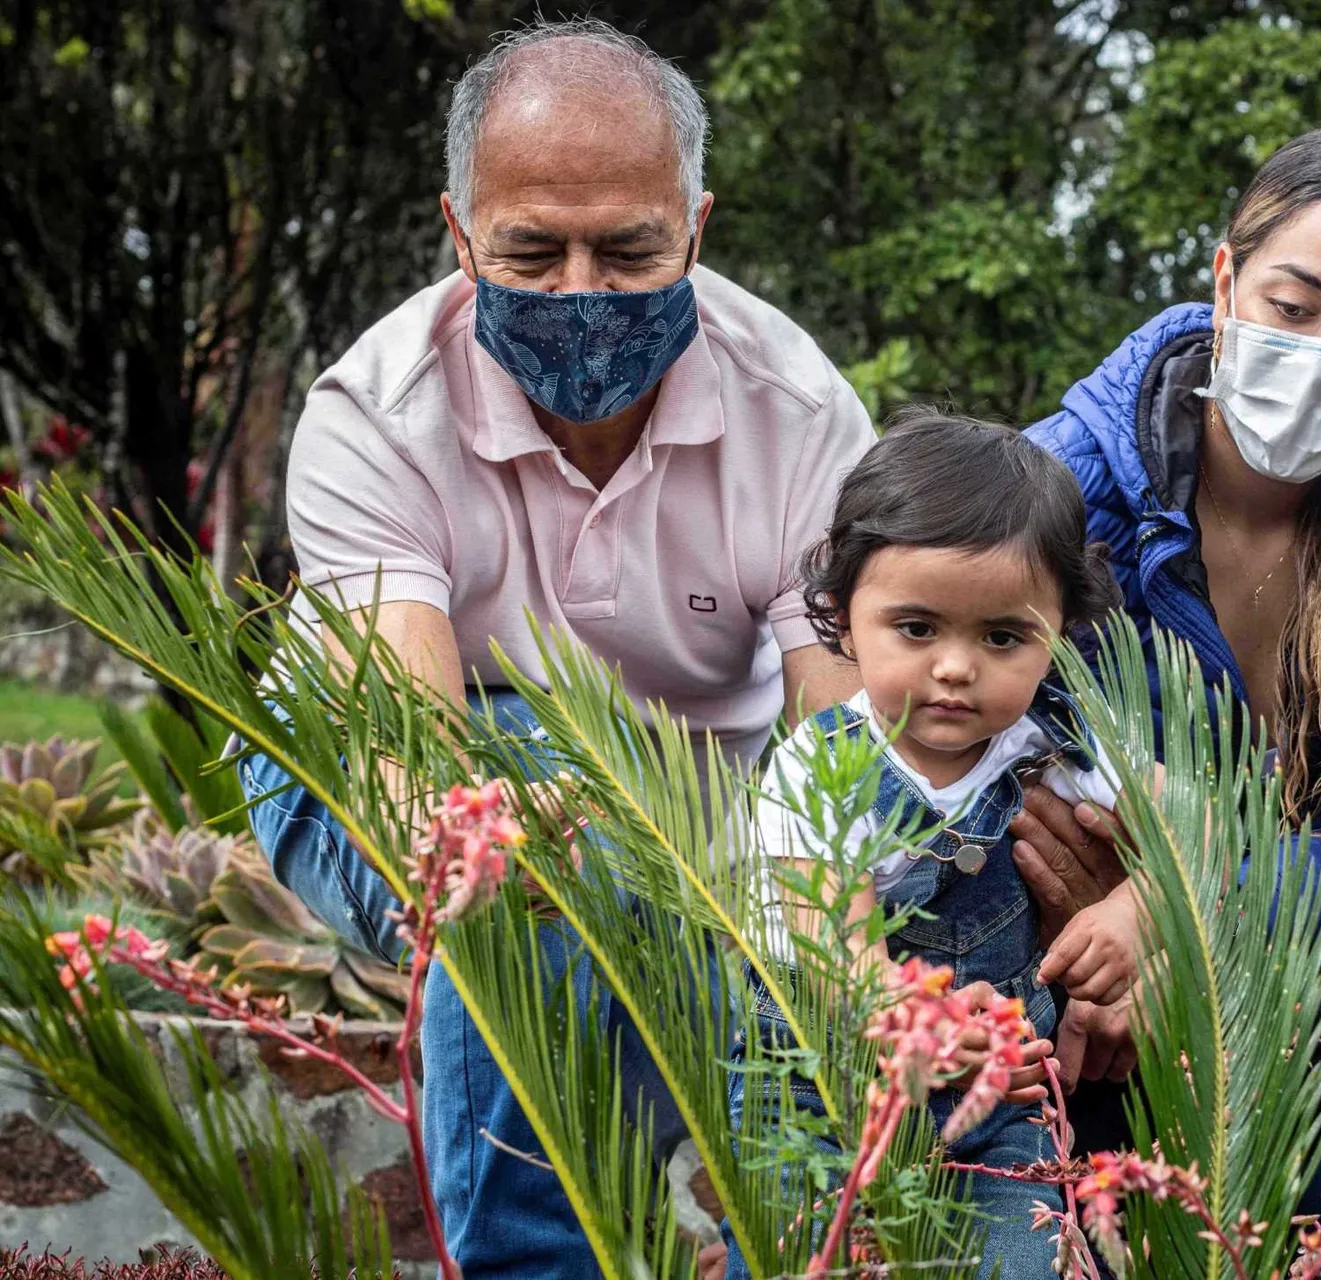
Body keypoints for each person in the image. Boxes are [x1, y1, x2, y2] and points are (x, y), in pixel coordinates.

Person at [237, 19, 871, 1275]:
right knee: (524, 831)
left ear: (697, 223)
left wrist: (824, 930)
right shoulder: (375, 415)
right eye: (531, 250)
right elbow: (415, 761)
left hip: (706, 793)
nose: (582, 292)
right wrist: (552, 829)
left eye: (630, 249)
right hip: (378, 775)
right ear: (459, 232)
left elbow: (839, 740)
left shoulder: (799, 413)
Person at [1020, 122, 1321, 1276]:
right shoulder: (1057, 484)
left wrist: (1180, 906)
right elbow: (940, 718)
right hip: (1036, 961)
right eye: (1294, 306)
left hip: (1249, 962)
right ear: (1226, 280)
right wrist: (1096, 927)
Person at [726, 415, 1133, 1277]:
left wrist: (1138, 907)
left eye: (1002, 637)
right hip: (818, 1089)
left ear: (1060, 629)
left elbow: (1199, 830)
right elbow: (825, 937)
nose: (956, 667)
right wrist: (921, 1020)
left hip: (999, 1100)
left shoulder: (1057, 748)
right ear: (841, 615)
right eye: (916, 629)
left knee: (1025, 1258)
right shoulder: (821, 763)